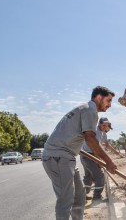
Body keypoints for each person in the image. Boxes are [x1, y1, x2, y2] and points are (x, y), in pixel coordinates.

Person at [42, 86, 117, 220]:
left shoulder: (85, 108)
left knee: (79, 195)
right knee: (65, 200)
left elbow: (72, 137)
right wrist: (109, 161)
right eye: (108, 100)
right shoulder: (90, 110)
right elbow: (90, 138)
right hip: (58, 157)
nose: (110, 105)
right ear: (98, 97)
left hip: (66, 156)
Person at [80, 117, 120, 201]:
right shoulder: (95, 131)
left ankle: (82, 196)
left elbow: (107, 145)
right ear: (99, 124)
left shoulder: (103, 133)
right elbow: (94, 148)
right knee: (100, 176)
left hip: (86, 156)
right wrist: (98, 161)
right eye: (103, 125)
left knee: (88, 177)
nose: (105, 127)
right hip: (88, 155)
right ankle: (97, 197)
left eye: (107, 125)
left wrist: (115, 151)